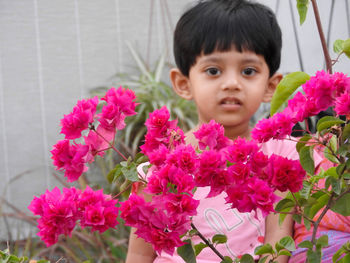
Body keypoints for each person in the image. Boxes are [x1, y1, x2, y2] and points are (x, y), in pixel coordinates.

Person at [126, 0, 296, 262]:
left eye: (248, 71)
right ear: (183, 84)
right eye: (213, 70)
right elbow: (139, 254)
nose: (231, 83)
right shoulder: (159, 169)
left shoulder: (280, 156)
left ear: (270, 87)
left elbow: (278, 239)